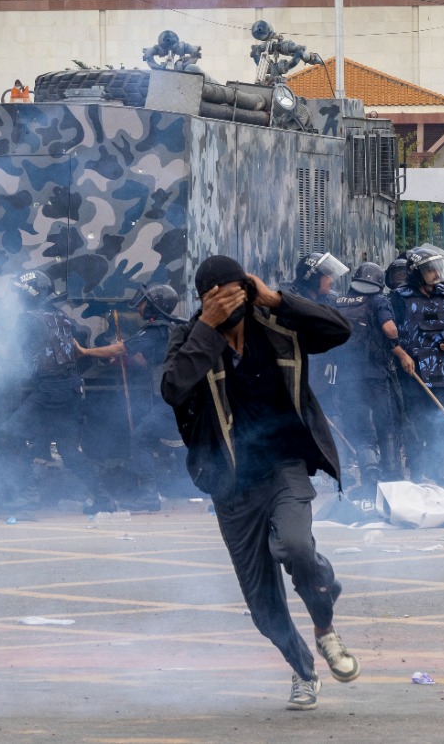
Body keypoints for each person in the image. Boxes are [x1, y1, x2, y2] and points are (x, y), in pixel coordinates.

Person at [161, 255, 357, 711]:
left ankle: (325, 625)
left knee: (296, 547)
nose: (232, 306)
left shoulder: (274, 324)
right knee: (265, 610)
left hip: (283, 465)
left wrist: (277, 298)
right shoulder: (189, 338)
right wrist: (207, 328)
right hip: (231, 485)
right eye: (219, 299)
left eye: (239, 295)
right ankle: (304, 670)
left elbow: (339, 330)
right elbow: (173, 388)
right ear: (205, 300)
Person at [0, 269, 106, 511]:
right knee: (68, 449)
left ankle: (25, 497)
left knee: (10, 433)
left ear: (29, 294)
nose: (16, 298)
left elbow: (14, 357)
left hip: (50, 390)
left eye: (18, 293)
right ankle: (103, 499)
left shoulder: (27, 319)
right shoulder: (60, 316)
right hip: (71, 389)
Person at [82, 283, 185, 511]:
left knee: (141, 438)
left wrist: (85, 352)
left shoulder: (156, 329)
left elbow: (120, 348)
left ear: (155, 305)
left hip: (173, 399)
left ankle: (150, 497)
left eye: (144, 303)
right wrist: (127, 359)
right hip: (179, 398)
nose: (139, 308)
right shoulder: (172, 328)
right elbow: (148, 362)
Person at [325, 262, 404, 499]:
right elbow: (390, 330)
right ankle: (391, 475)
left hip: (347, 376)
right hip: (375, 374)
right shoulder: (378, 301)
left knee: (359, 426)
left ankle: (369, 473)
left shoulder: (339, 301)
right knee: (385, 422)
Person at [391, 248, 444, 486]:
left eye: (436, 268)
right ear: (416, 272)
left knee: (440, 420)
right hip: (412, 371)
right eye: (429, 269)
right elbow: (388, 335)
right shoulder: (399, 297)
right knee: (414, 422)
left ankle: (439, 467)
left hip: (440, 370)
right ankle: (417, 469)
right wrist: (402, 355)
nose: (435, 274)